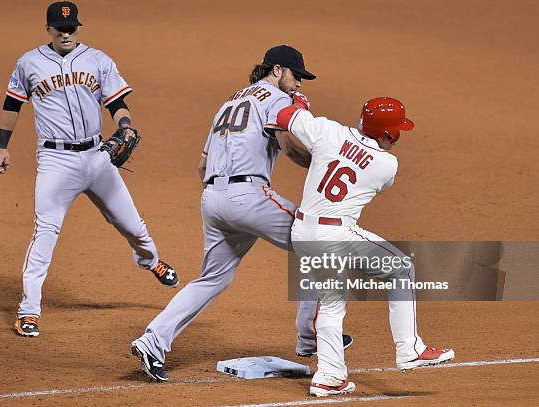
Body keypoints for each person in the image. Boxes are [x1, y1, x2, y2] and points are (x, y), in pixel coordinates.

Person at [131, 45, 351, 382]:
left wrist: (226, 197)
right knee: (319, 240)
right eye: (296, 76)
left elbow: (203, 164)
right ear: (276, 70)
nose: (299, 85)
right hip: (248, 196)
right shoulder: (277, 101)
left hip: (213, 199)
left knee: (212, 278)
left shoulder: (228, 103)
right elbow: (290, 148)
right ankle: (312, 334)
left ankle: (152, 341)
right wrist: (323, 163)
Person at [0, 1, 179, 338]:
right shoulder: (29, 62)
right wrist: (2, 146)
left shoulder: (98, 60)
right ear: (48, 28)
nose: (66, 33)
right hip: (56, 162)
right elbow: (12, 104)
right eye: (59, 28)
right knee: (45, 234)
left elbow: (117, 103)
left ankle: (151, 260)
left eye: (72, 28)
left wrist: (126, 126)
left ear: (78, 27)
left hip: (97, 157)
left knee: (132, 225)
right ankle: (28, 311)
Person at [276, 95, 455, 396]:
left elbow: (284, 117)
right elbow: (373, 176)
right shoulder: (386, 164)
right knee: (400, 268)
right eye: (396, 131)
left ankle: (330, 376)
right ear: (387, 134)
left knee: (331, 304)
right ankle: (409, 348)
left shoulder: (328, 131)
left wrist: (300, 103)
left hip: (303, 232)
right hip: (336, 235)